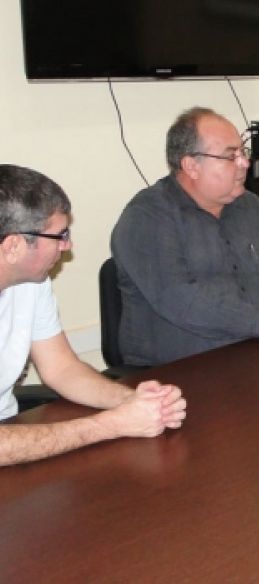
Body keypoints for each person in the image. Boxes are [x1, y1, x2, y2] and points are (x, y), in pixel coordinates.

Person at [0, 165, 186, 466]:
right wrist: (111, 424)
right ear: (13, 246)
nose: (67, 245)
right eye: (60, 236)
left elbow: (61, 369)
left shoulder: (32, 282)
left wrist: (132, 401)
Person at [111, 107, 259, 366]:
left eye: (243, 152)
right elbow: (180, 301)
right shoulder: (147, 218)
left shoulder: (256, 209)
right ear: (192, 166)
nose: (244, 163)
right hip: (182, 369)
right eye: (230, 156)